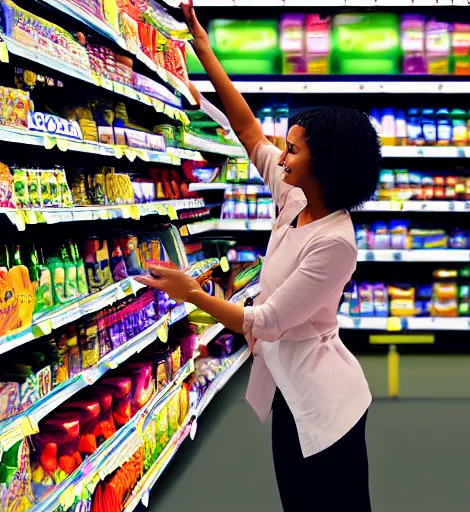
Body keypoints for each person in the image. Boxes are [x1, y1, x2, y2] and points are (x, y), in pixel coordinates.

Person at [136, 2, 381, 510]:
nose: (281, 153)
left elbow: (266, 321)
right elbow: (247, 129)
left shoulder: (334, 241)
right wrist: (205, 52)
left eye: (292, 149)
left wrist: (193, 294)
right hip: (291, 391)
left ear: (325, 166)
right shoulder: (296, 197)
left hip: (322, 403)